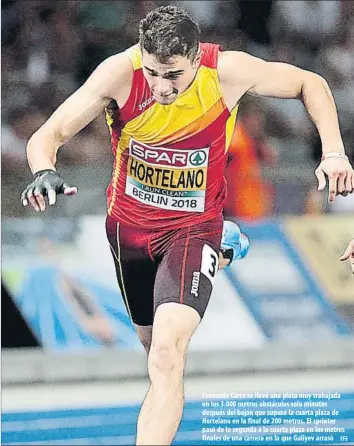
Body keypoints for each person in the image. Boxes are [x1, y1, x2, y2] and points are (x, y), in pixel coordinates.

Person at [20, 5, 354, 445]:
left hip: (192, 229)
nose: (160, 87)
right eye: (154, 72)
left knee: (166, 356)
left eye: (173, 75)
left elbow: (311, 82)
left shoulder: (228, 72)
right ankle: (225, 245)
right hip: (129, 232)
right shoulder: (119, 73)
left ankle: (215, 241)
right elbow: (49, 134)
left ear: (196, 58)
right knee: (150, 347)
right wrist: (43, 170)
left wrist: (332, 151)